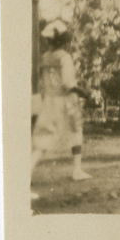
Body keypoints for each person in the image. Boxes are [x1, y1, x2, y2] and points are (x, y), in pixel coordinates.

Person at [31, 20, 91, 182]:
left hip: (49, 101)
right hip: (65, 102)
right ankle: (77, 170)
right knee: (76, 131)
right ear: (64, 40)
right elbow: (68, 84)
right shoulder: (65, 57)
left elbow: (43, 81)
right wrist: (83, 92)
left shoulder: (45, 58)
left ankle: (27, 171)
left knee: (44, 138)